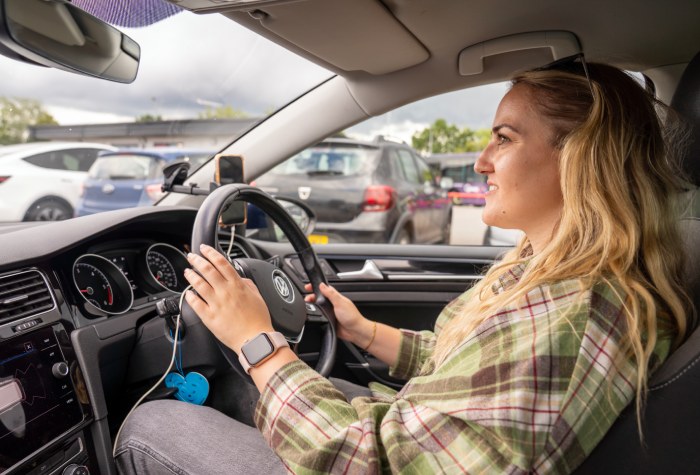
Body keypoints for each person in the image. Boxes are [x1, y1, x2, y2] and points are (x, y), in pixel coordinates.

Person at [114, 59, 691, 474]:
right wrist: (365, 331)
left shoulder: (571, 316)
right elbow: (471, 368)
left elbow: (366, 460)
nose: (481, 160)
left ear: (578, 159)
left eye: (505, 138)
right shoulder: (557, 277)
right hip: (414, 438)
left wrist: (259, 342)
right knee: (253, 395)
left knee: (155, 426)